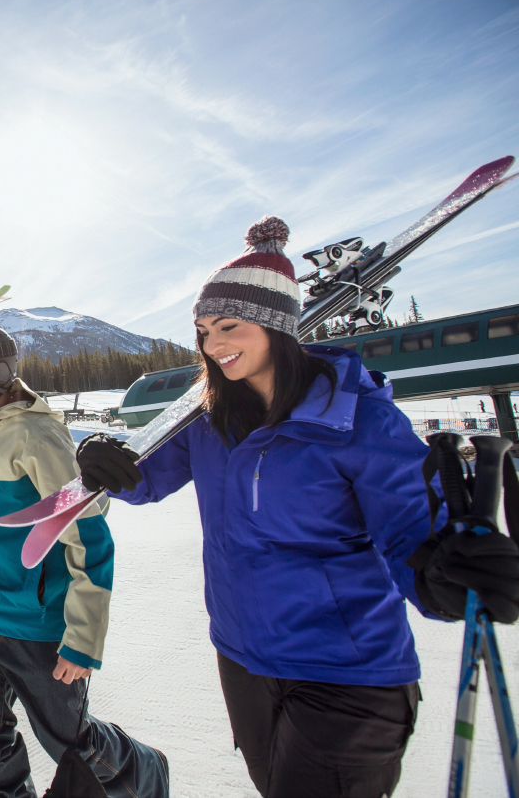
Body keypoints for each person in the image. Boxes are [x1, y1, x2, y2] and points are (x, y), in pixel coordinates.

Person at [76, 216, 519, 798]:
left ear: (277, 327)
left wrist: (443, 571)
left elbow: (411, 529)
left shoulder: (357, 417)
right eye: (203, 331)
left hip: (345, 676)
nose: (214, 345)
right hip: (242, 660)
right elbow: (145, 478)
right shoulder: (209, 420)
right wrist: (102, 459)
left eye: (229, 326)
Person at [0, 325, 170, 798]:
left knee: (71, 744)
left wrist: (82, 638)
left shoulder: (38, 437)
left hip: (37, 623)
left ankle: (145, 771)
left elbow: (90, 538)